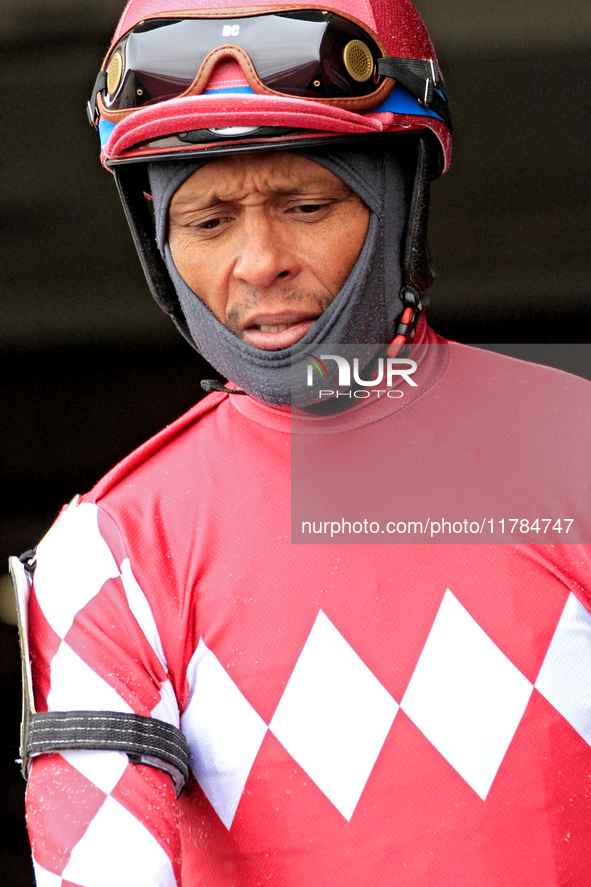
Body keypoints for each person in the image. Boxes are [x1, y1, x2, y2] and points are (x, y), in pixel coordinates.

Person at [13, 0, 591, 884]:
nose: (257, 261)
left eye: (305, 203)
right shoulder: (109, 549)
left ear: (400, 197)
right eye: (207, 222)